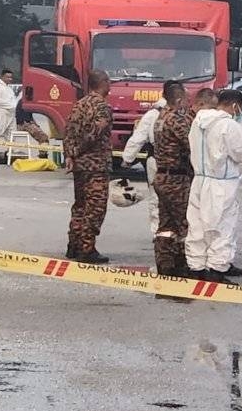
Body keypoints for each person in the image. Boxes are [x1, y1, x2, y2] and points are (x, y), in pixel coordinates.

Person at [185, 89, 242, 283]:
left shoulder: (197, 123)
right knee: (222, 228)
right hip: (221, 183)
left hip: (199, 180)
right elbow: (240, 153)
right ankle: (216, 269)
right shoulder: (228, 125)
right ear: (234, 105)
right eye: (240, 108)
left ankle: (196, 267)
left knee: (197, 226)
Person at [62, 69, 113, 264]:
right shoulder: (102, 107)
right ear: (103, 83)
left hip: (80, 167)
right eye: (108, 82)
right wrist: (77, 150)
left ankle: (73, 245)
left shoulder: (79, 105)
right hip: (95, 165)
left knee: (80, 206)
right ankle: (86, 248)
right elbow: (95, 133)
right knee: (95, 208)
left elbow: (69, 131)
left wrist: (69, 153)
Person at [151, 81, 194, 286]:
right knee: (184, 223)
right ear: (179, 99)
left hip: (162, 176)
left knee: (165, 224)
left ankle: (164, 263)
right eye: (185, 99)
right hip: (177, 178)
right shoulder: (176, 119)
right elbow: (191, 143)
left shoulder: (160, 117)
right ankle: (183, 264)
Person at [120, 97, 166, 235]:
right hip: (178, 164)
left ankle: (157, 232)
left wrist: (127, 159)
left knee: (156, 197)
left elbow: (138, 138)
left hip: (155, 161)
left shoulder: (152, 114)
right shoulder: (183, 114)